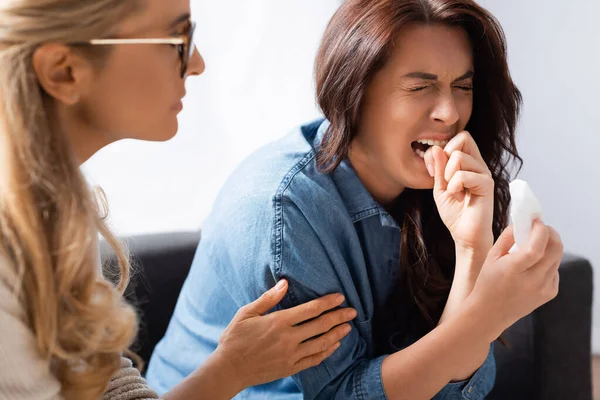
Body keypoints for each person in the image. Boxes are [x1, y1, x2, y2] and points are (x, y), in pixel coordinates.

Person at [147, 0, 564, 399]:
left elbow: (449, 388)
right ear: (355, 92)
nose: (449, 113)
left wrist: (472, 248)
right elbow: (342, 394)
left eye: (462, 86)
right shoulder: (285, 210)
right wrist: (483, 316)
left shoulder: (433, 192)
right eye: (421, 86)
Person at [0, 0, 357, 399]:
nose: (197, 63)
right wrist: (230, 370)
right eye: (177, 39)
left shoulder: (54, 204)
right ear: (63, 72)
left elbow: (103, 379)